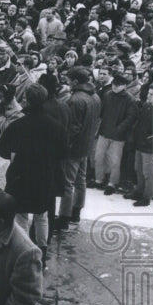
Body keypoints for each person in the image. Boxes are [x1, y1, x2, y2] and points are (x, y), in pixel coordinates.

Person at [0, 83, 65, 260]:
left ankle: (23, 251)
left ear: (26, 99)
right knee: (42, 216)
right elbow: (64, 153)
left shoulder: (19, 125)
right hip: (45, 177)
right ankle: (41, 250)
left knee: (21, 216)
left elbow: (2, 149)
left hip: (21, 177)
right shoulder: (55, 126)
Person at [55, 67, 101, 230]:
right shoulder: (95, 96)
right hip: (86, 146)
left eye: (68, 79)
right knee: (80, 181)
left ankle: (64, 217)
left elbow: (72, 128)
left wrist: (64, 145)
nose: (66, 82)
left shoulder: (75, 99)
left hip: (74, 148)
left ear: (75, 81)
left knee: (67, 183)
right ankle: (76, 212)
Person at [94, 73, 138, 195]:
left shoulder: (130, 99)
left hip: (118, 135)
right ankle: (99, 179)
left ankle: (112, 183)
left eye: (118, 85)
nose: (114, 86)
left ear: (124, 86)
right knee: (99, 157)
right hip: (104, 131)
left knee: (115, 160)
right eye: (113, 84)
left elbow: (130, 118)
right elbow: (101, 113)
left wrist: (119, 129)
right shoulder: (108, 95)